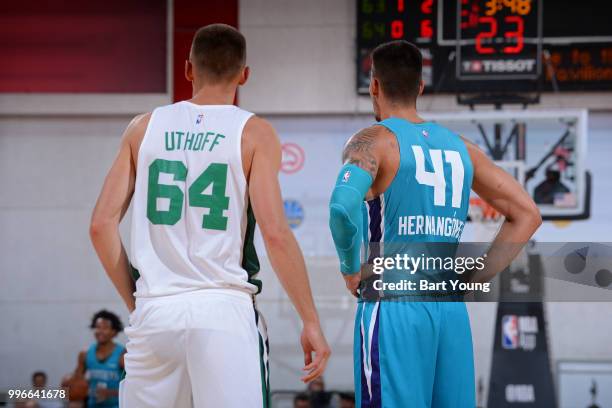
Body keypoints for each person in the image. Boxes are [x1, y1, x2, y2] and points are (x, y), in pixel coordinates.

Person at [90, 23, 330, 407]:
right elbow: (275, 234)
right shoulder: (254, 132)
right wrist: (311, 321)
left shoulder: (142, 128)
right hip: (224, 311)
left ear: (188, 69)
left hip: (156, 312)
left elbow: (101, 226)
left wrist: (141, 303)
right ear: (244, 75)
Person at [328, 40, 541, 407]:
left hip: (394, 304)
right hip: (449, 308)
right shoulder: (461, 147)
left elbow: (341, 209)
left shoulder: (372, 142)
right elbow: (527, 215)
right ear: (420, 87)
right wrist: (474, 279)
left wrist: (350, 269)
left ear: (374, 86)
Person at [70, 310, 125, 408]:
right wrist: (70, 382)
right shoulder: (85, 353)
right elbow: (77, 381)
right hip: (92, 405)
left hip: (116, 405)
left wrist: (110, 393)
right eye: (98, 327)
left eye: (105, 328)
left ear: (114, 332)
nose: (100, 331)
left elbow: (134, 387)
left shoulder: (122, 354)